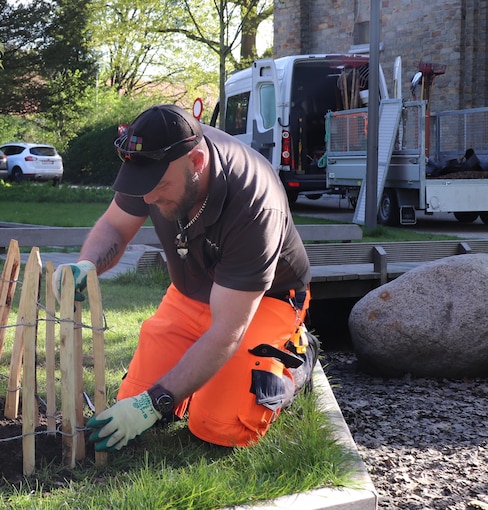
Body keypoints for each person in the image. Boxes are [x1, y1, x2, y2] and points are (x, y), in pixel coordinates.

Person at [53, 104, 318, 449]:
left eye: (160, 185)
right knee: (132, 398)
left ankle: (296, 358)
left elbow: (225, 332)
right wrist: (87, 265)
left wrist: (154, 404)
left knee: (221, 427)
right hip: (192, 291)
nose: (148, 197)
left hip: (262, 301)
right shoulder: (152, 161)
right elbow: (115, 226)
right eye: (143, 186)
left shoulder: (254, 202)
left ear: (197, 162)